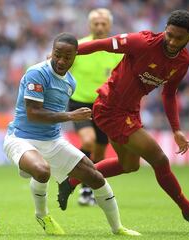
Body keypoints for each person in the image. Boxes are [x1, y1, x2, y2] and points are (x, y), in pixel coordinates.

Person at [58, 10, 189, 223]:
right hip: (110, 108)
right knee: (160, 160)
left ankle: (70, 181)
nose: (172, 41)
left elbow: (169, 94)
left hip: (130, 111)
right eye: (169, 35)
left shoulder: (182, 61)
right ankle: (188, 209)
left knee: (129, 165)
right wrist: (62, 55)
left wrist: (177, 130)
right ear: (164, 30)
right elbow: (101, 44)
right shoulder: (142, 42)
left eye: (179, 38)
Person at [3, 33, 139, 236]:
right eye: (57, 54)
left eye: (67, 57)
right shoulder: (37, 73)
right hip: (21, 138)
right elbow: (33, 113)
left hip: (53, 140)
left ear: (76, 56)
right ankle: (42, 215)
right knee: (42, 170)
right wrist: (70, 116)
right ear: (51, 52)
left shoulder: (70, 83)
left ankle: (118, 228)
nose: (61, 60)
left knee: (95, 177)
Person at [69, 8, 123, 206]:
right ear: (89, 25)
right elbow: (61, 69)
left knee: (100, 153)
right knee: (89, 142)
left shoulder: (117, 50)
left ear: (109, 25)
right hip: (79, 102)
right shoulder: (79, 47)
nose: (99, 27)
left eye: (103, 24)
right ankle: (75, 176)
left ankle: (86, 188)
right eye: (96, 24)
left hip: (105, 106)